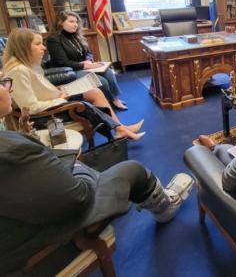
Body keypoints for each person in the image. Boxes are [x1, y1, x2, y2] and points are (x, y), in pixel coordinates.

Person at [0, 72, 193, 275]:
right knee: (132, 169)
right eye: (2, 82)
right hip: (40, 247)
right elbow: (78, 197)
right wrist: (78, 169)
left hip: (22, 225)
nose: (9, 87)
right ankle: (166, 206)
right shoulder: (10, 151)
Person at [3, 28, 144, 140]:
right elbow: (31, 108)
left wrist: (59, 90)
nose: (44, 48)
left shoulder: (27, 66)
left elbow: (38, 90)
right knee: (90, 98)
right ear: (24, 47)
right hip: (47, 114)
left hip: (55, 99)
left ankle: (120, 128)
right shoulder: (18, 71)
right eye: (38, 44)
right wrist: (61, 98)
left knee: (94, 90)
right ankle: (120, 129)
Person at [47, 11, 127, 110]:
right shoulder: (53, 39)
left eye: (76, 22)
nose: (75, 24)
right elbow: (62, 62)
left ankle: (115, 99)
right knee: (101, 81)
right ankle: (107, 102)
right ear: (60, 23)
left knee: (109, 73)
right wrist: (84, 65)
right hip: (71, 71)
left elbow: (88, 52)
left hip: (85, 67)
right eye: (71, 21)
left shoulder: (76, 35)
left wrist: (88, 60)